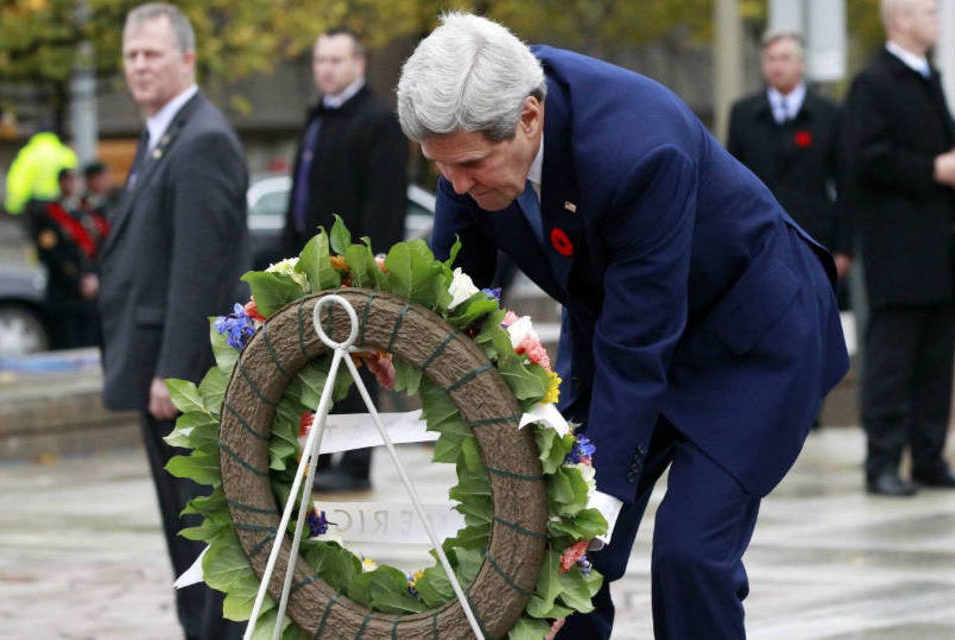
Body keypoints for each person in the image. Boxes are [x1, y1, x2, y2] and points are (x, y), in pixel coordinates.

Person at [397, 13, 848, 639]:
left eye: (470, 166)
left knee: (688, 554)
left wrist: (598, 501)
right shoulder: (467, 136)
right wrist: (397, 337)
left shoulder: (640, 149)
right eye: (440, 168)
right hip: (624, 323)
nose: (456, 185)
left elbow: (640, 343)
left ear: (530, 118)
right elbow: (455, 278)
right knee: (549, 557)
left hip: (748, 340)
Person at [96, 3, 249, 638]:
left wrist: (174, 370)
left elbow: (200, 269)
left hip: (180, 380)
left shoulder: (202, 138)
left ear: (187, 59)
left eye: (152, 53)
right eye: (131, 55)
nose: (139, 66)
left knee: (203, 537)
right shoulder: (165, 132)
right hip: (160, 368)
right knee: (183, 538)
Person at [282, 27, 408, 492]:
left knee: (356, 363)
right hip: (310, 264)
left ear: (358, 62)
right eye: (320, 61)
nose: (326, 69)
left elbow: (384, 201)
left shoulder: (377, 120)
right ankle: (327, 456)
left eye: (336, 60)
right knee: (321, 365)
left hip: (351, 267)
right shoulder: (319, 118)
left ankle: (355, 464)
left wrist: (368, 265)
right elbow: (301, 194)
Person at [842, 0, 955, 497]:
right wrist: (932, 169)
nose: (935, 19)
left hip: (938, 249)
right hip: (897, 250)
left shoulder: (927, 76)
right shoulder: (875, 83)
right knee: (892, 362)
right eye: (928, 11)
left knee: (935, 360)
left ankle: (929, 458)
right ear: (902, 20)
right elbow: (865, 159)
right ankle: (883, 462)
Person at [728, 31, 852, 283]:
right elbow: (731, 181)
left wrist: (844, 248)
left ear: (801, 64)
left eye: (784, 58)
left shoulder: (829, 114)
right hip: (759, 238)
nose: (777, 66)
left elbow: (846, 181)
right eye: (770, 59)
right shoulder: (743, 114)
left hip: (815, 238)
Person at [27, 168, 104, 349]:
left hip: (90, 290)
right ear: (62, 183)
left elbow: (96, 248)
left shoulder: (85, 213)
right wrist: (78, 281)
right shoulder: (49, 215)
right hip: (65, 291)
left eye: (76, 181)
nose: (74, 185)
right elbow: (53, 254)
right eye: (70, 181)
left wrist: (94, 276)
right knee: (68, 341)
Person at [4, 126, 77, 215]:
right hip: (59, 201)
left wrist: (15, 204)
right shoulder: (65, 153)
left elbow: (19, 179)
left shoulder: (29, 153)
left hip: (36, 202)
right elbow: (73, 178)